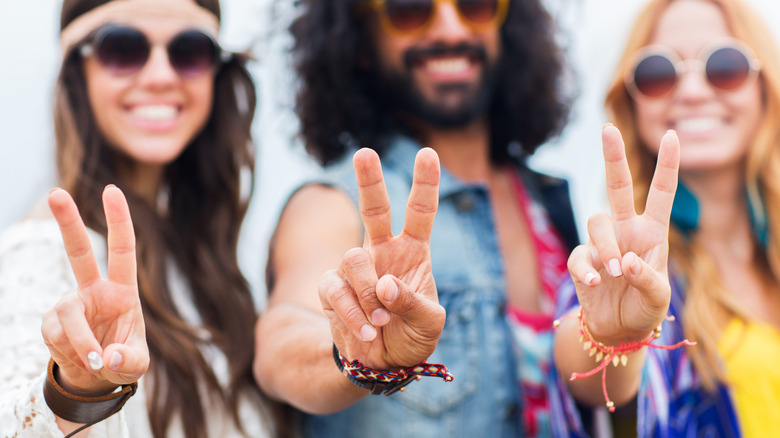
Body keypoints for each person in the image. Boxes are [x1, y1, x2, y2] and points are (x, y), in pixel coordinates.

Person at [253, 0, 583, 436]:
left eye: (475, 6)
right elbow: (281, 340)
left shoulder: (548, 203)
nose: (450, 30)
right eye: (410, 10)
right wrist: (356, 352)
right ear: (360, 42)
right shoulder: (334, 204)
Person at [0, 0, 281, 436]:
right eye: (122, 49)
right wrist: (76, 390)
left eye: (189, 51)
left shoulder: (206, 257)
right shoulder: (42, 251)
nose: (160, 75)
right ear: (80, 73)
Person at [551, 0, 780, 436]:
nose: (692, 92)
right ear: (632, 104)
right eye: (658, 73)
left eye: (724, 65)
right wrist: (613, 340)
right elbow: (589, 384)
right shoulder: (619, 268)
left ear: (765, 88)